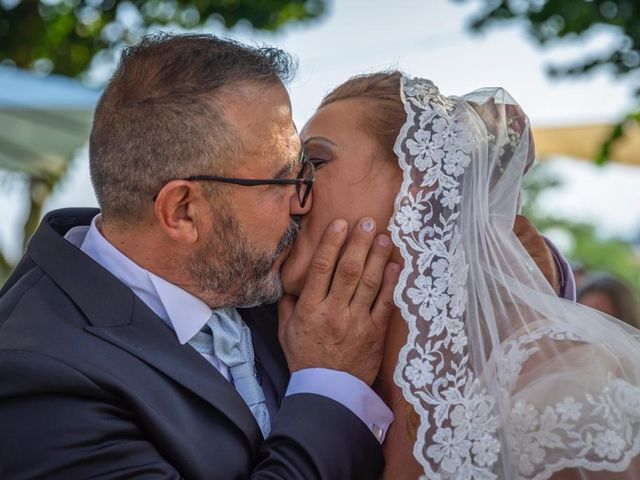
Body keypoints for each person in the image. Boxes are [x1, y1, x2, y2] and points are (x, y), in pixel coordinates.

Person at [0, 34, 401, 479]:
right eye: (281, 181)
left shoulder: (271, 287)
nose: (301, 202)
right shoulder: (33, 375)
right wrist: (330, 385)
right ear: (183, 212)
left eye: (308, 170)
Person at [281, 71, 640, 479]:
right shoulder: (290, 354)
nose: (291, 194)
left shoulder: (558, 382)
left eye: (316, 162)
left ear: (419, 185)